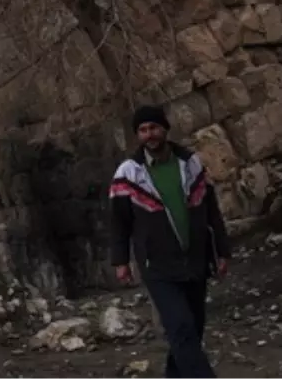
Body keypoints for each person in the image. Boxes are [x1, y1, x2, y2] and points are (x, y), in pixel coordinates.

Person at [109, 105, 231, 379]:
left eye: (153, 128)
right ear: (137, 135)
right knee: (181, 327)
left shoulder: (191, 164)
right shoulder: (128, 174)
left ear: (165, 128)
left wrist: (222, 251)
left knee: (194, 327)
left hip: (195, 259)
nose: (149, 134)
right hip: (158, 265)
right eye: (142, 130)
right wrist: (121, 261)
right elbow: (119, 222)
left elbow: (212, 210)